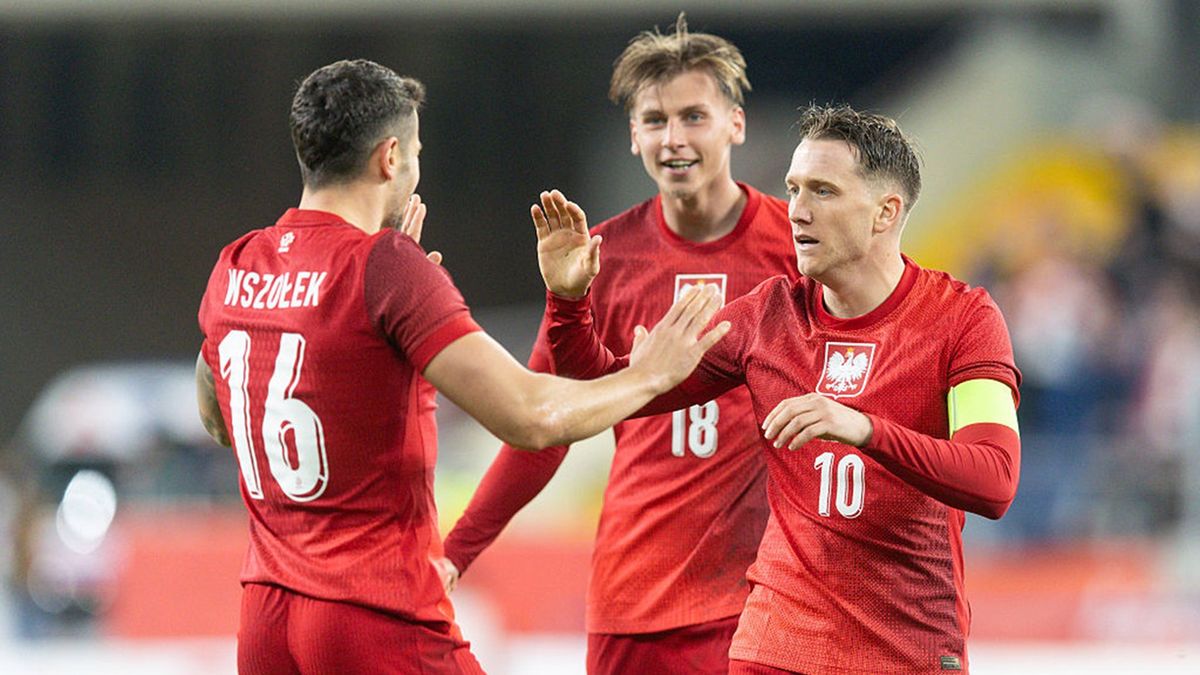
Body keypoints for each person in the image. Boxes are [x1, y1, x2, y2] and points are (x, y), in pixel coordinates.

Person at [194, 58, 729, 675]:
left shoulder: (238, 261)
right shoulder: (388, 266)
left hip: (264, 618)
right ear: (390, 157)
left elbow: (217, 412)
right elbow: (531, 417)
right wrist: (651, 374)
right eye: (416, 150)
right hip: (372, 612)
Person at [535, 104, 1022, 674]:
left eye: (822, 191)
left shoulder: (962, 319)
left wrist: (863, 429)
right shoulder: (767, 317)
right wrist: (569, 305)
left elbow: (993, 479)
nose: (796, 211)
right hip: (776, 646)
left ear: (886, 212)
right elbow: (609, 391)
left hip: (905, 648)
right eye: (793, 189)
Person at [440, 15, 797, 674]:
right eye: (655, 120)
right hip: (634, 604)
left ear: (735, 124)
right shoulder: (601, 257)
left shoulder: (797, 252)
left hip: (761, 601)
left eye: (694, 116)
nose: (675, 138)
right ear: (634, 136)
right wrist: (456, 552)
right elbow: (544, 426)